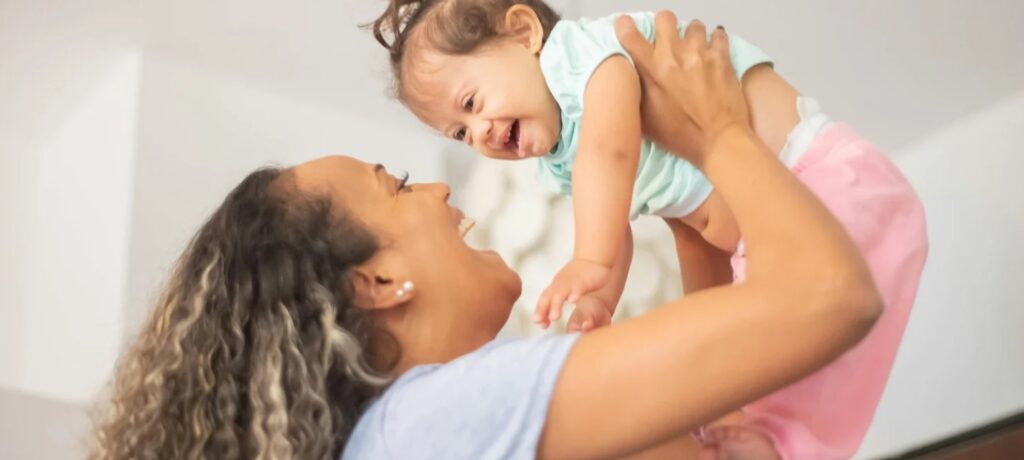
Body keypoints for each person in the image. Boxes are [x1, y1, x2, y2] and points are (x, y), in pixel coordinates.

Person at [89, 14, 880, 460]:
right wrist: (718, 136)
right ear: (377, 283)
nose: (441, 183)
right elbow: (832, 296)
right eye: (398, 186)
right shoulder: (428, 424)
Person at [369, 1, 928, 457]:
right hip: (767, 233)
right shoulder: (561, 153)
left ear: (523, 33)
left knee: (823, 339)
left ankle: (774, 443)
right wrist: (599, 295)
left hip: (821, 177)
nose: (481, 133)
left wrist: (589, 258)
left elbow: (612, 155)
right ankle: (759, 439)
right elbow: (627, 221)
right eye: (461, 135)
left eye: (471, 102)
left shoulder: (587, 59)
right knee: (783, 364)